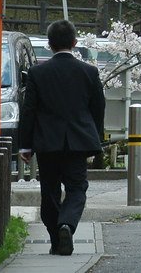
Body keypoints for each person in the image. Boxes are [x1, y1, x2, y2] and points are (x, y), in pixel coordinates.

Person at [18, 20, 106, 256]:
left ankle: (56, 241)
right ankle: (67, 224)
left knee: (49, 191)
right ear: (75, 43)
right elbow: (98, 108)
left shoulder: (38, 73)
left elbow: (29, 110)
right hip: (78, 142)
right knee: (77, 188)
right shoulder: (89, 71)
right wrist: (95, 137)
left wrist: (25, 144)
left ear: (49, 45)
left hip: (47, 142)